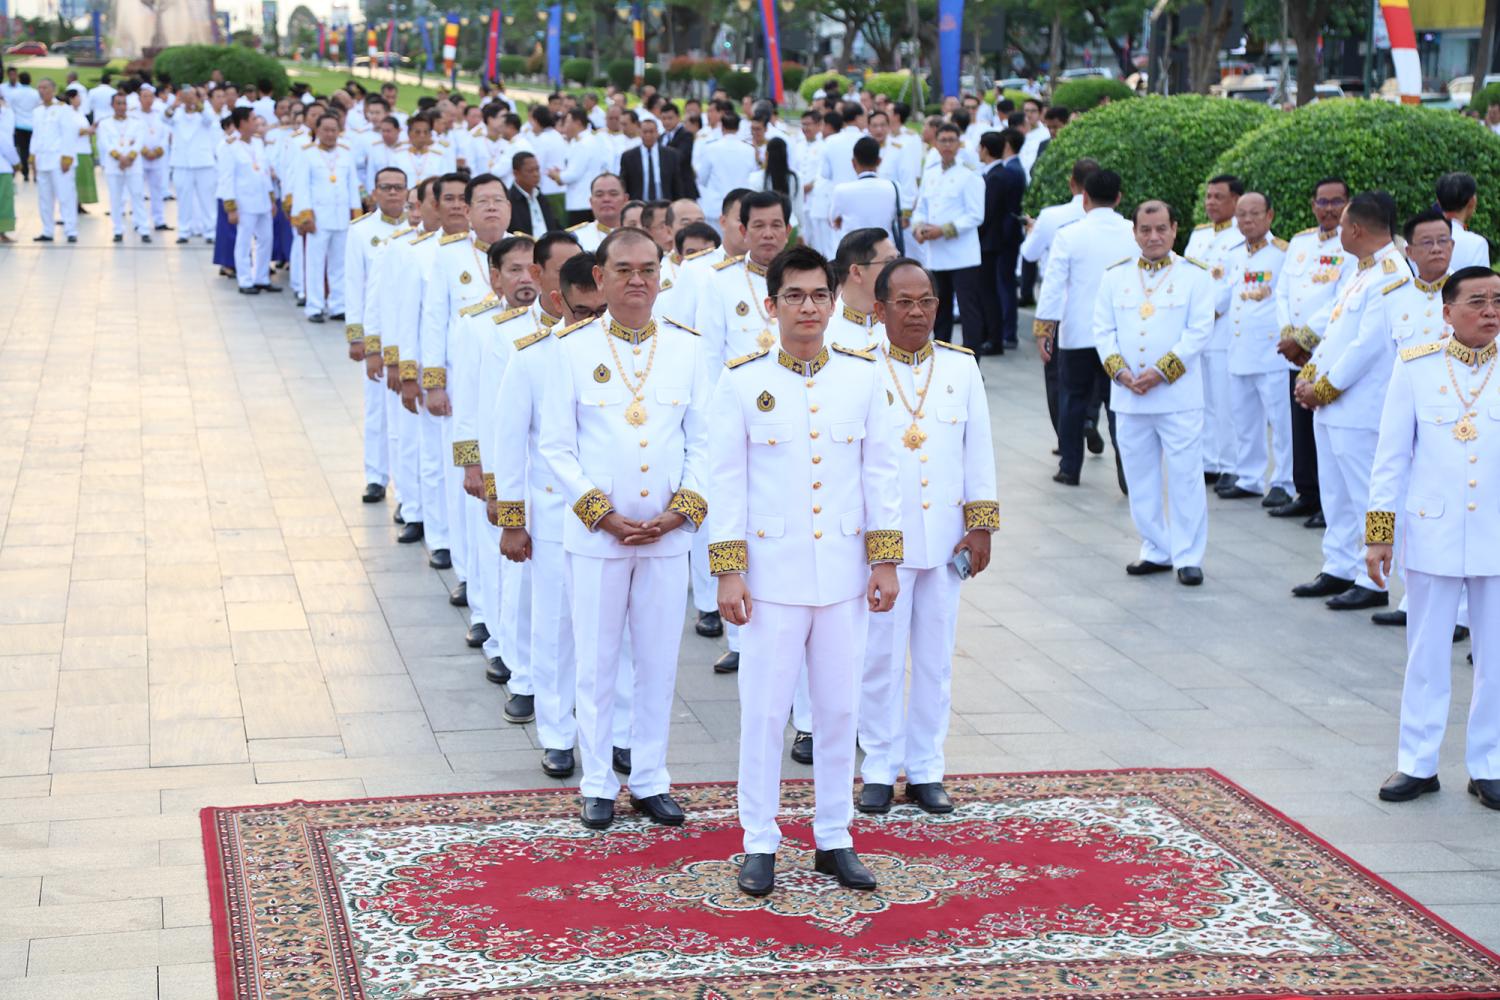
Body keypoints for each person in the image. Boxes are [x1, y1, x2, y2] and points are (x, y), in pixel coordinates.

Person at [709, 245, 902, 896]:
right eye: (794, 296)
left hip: (843, 575)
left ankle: (834, 836)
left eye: (820, 295)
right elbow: (727, 483)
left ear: (834, 299)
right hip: (771, 577)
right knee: (765, 713)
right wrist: (729, 570)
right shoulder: (742, 381)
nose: (809, 307)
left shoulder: (862, 376)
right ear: (772, 306)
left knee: (839, 710)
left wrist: (885, 560)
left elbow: (880, 472)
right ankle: (759, 840)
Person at [538, 227, 710, 831]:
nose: (637, 280)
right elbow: (556, 447)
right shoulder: (571, 348)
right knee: (596, 660)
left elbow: (705, 441)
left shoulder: (688, 348)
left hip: (667, 534)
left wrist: (682, 509)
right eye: (624, 270)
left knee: (659, 662)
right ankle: (597, 783)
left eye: (648, 269)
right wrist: (600, 513)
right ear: (600, 277)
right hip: (597, 535)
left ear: (662, 276)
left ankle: (651, 778)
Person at [857, 258, 996, 817]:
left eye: (927, 301)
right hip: (882, 545)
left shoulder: (961, 367)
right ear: (880, 308)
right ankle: (877, 767)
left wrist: (980, 525)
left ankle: (926, 769)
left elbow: (977, 450)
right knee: (880, 658)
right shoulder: (859, 367)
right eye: (905, 303)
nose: (917, 313)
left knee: (936, 659)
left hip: (944, 540)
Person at [1366, 265, 1499, 811]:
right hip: (1433, 530)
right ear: (1448, 313)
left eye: (1497, 301)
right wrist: (1380, 535)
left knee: (1496, 656)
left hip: (1496, 533)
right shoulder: (1416, 365)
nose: (1490, 311)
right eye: (1478, 301)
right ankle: (1418, 763)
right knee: (1426, 652)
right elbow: (1391, 457)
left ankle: (1490, 764)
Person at [1094, 200, 1216, 585]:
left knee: (1185, 478)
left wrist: (1163, 372)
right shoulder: (1115, 276)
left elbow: (1199, 331)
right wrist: (1119, 371)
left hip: (1177, 397)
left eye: (1161, 228)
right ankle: (1156, 548)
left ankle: (1188, 556)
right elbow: (1103, 329)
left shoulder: (1195, 276)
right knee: (1139, 477)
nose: (1153, 237)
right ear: (1134, 233)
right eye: (1145, 230)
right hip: (1130, 395)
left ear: (1175, 229)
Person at [1293, 192, 1404, 612]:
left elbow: (1367, 346)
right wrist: (1310, 375)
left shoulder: (1391, 274)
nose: (1337, 232)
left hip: (1360, 405)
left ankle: (1373, 579)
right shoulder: (1363, 271)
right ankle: (1339, 565)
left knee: (1364, 495)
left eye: (1341, 226)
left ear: (1356, 229)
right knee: (1335, 493)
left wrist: (1323, 387)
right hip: (1334, 404)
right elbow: (1337, 333)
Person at [420, 172, 514, 646]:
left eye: (500, 200)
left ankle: (505, 607)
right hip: (467, 393)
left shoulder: (526, 252)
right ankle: (475, 591)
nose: (492, 208)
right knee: (472, 500)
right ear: (468, 211)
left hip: (515, 392)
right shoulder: (449, 255)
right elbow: (434, 318)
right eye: (483, 202)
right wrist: (433, 381)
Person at [1033, 169, 1134, 488]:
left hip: (1077, 332)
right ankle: (1127, 472)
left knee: (1072, 400)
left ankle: (1069, 467)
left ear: (1085, 198)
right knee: (1118, 405)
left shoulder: (1070, 234)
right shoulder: (1133, 232)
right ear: (1118, 198)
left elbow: (1053, 285)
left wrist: (1044, 329)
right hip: (1120, 333)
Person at [1270, 178, 1355, 524]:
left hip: (1327, 349)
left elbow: (1342, 299)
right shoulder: (1301, 242)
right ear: (1313, 205)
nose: (1329, 208)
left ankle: (1328, 503)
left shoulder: (1351, 243)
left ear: (1348, 204)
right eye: (1323, 202)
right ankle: (1306, 492)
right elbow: (1282, 292)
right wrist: (1289, 335)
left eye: (1336, 201)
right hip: (1296, 352)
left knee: (1325, 426)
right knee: (1300, 426)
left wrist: (1305, 338)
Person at [1216, 192, 1291, 505]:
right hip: (1239, 348)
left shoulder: (1283, 253)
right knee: (1245, 420)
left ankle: (1284, 482)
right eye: (1242, 214)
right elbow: (1224, 297)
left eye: (1254, 213)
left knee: (1281, 423)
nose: (1247, 220)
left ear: (1269, 216)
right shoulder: (1234, 254)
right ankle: (1249, 477)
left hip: (1271, 352)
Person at [345, 165, 408, 506]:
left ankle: (405, 486)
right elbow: (354, 285)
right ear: (374, 193)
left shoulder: (417, 230)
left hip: (407, 333)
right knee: (376, 410)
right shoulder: (361, 231)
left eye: (399, 187)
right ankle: (375, 476)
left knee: (405, 416)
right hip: (376, 334)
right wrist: (357, 337)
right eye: (386, 187)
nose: (393, 192)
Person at [1022, 157, 1096, 437]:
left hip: (1059, 304)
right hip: (1098, 303)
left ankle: (1066, 436)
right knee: (1097, 369)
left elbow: (1029, 253)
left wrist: (1032, 231)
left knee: (1057, 374)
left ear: (1071, 183)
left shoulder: (1051, 216)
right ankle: (1089, 418)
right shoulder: (1118, 223)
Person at [1183, 175, 1243, 489]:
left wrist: (1203, 315)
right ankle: (1208, 460)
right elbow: (1186, 277)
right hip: (1197, 332)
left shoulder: (1242, 236)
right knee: (1202, 399)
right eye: (1208, 196)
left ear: (1236, 200)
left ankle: (1231, 463)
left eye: (1219, 196)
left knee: (1225, 401)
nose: (1211, 202)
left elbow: (1231, 286)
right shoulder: (1200, 234)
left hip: (1222, 331)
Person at [910, 123, 984, 350]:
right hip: (936, 254)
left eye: (952, 140)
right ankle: (941, 356)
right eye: (943, 140)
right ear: (936, 143)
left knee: (968, 310)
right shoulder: (931, 173)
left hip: (963, 255)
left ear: (959, 144)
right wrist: (918, 228)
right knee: (939, 310)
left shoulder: (969, 175)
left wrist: (943, 230)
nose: (947, 145)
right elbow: (921, 208)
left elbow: (976, 215)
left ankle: (972, 359)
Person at [291, 111, 362, 322]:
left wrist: (356, 215)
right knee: (315, 264)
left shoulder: (346, 153)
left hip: (341, 217)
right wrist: (305, 215)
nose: (330, 134)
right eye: (326, 130)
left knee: (339, 264)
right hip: (318, 218)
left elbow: (352, 186)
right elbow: (301, 187)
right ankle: (314, 306)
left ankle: (337, 305)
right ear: (317, 130)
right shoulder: (307, 153)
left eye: (334, 130)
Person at [977, 129, 1027, 354]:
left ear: (985, 149)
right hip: (995, 240)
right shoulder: (997, 173)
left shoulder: (997, 176)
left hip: (992, 241)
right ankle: (992, 335)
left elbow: (987, 214)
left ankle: (994, 337)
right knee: (991, 289)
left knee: (990, 290)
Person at [218, 108, 278, 291]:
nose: (256, 123)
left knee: (266, 239)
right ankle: (244, 280)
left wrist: (271, 199)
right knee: (244, 242)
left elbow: (264, 172)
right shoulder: (229, 146)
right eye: (252, 119)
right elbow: (226, 178)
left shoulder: (258, 142)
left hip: (262, 200)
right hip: (244, 202)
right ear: (242, 123)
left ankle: (261, 277)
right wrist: (231, 207)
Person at [829, 228, 898, 350]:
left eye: (898, 260)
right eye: (889, 262)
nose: (899, 270)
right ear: (856, 273)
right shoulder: (821, 332)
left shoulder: (903, 325)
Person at [168, 86, 221, 243]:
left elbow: (210, 119)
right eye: (186, 95)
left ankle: (210, 232)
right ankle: (184, 231)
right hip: (182, 162)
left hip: (203, 162)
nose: (189, 98)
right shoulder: (177, 113)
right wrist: (175, 105)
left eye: (192, 95)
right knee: (184, 199)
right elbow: (164, 118)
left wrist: (197, 104)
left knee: (207, 199)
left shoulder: (204, 112)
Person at [31, 79, 80, 243]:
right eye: (39, 88)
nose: (42, 90)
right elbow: (36, 135)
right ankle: (47, 230)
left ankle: (70, 230)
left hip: (59, 159)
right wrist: (32, 156)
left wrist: (67, 156)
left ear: (53, 89)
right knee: (44, 198)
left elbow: (69, 133)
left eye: (45, 87)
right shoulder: (37, 111)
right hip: (42, 159)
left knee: (65, 195)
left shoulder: (63, 109)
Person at [98, 92, 151, 243]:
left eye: (124, 103)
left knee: (137, 196)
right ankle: (118, 230)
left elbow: (139, 142)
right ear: (112, 105)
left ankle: (143, 229)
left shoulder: (136, 122)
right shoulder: (105, 123)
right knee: (115, 199)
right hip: (114, 165)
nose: (121, 107)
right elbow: (105, 143)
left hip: (133, 165)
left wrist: (129, 157)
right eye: (118, 103)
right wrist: (119, 157)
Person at [829, 136, 901, 243]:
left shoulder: (841, 190)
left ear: (853, 163)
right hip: (884, 248)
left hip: (853, 249)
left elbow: (834, 221)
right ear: (879, 161)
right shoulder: (894, 187)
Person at [1435, 172, 1491, 271]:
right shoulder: (1477, 243)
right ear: (1472, 201)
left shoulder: (1413, 241)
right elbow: (1481, 280)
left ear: (1438, 202)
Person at [619, 117, 684, 202]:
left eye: (651, 131)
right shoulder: (628, 157)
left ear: (657, 133)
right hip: (638, 204)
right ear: (639, 132)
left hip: (665, 203)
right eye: (645, 132)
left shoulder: (671, 155)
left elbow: (677, 183)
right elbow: (624, 183)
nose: (648, 135)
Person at [567, 173, 627, 252]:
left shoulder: (638, 233)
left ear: (625, 199)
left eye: (613, 194)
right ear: (591, 202)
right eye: (599, 195)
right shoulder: (575, 237)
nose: (606, 199)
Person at [507, 150, 560, 236]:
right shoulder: (509, 201)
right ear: (516, 173)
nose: (536, 174)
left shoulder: (541, 197)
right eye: (530, 171)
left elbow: (555, 226)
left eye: (537, 169)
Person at [0, 92, 18, 241]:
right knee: (4, 200)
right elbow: (6, 144)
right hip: (2, 167)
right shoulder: (6, 114)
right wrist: (16, 163)